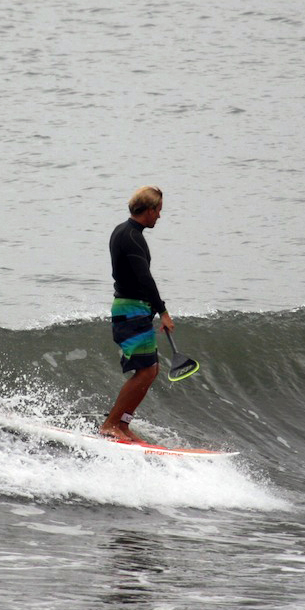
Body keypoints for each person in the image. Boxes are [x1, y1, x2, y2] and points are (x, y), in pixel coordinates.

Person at [99, 185, 175, 442]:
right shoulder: (131, 236)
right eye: (159, 211)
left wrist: (153, 308)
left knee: (150, 370)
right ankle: (110, 424)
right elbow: (144, 278)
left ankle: (122, 424)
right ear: (149, 209)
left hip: (135, 309)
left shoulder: (125, 232)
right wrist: (163, 311)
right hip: (130, 310)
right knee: (145, 371)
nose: (160, 217)